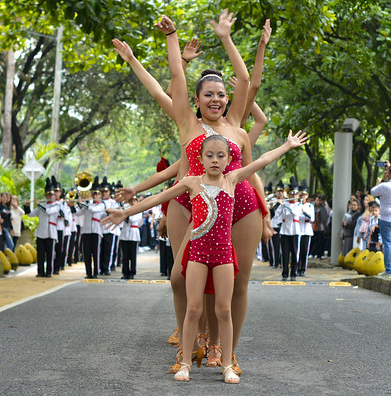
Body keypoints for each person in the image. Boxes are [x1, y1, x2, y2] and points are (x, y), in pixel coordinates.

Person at [113, 13, 271, 375]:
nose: (215, 100)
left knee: (236, 281)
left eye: (221, 95)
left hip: (238, 202)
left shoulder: (236, 128)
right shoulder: (187, 122)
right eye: (208, 95)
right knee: (180, 276)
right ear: (197, 99)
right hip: (193, 200)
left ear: (227, 99)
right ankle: (193, 340)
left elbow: (248, 80)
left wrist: (226, 37)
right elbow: (169, 83)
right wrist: (171, 39)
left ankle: (223, 351)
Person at [102, 130, 307, 383]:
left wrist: (287, 145)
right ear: (200, 158)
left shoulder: (232, 179)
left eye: (220, 155)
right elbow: (157, 198)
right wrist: (125, 213)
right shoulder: (191, 182)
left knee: (223, 310)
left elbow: (262, 160)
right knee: (194, 309)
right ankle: (187, 362)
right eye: (209, 155)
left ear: (228, 158)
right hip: (197, 254)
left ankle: (228, 364)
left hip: (223, 256)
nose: (214, 160)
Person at [28, 179, 60, 277]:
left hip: (51, 233)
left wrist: (38, 205)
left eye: (51, 195)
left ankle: (49, 272)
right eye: (48, 195)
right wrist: (27, 207)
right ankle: (40, 272)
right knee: (40, 254)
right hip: (41, 233)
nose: (49, 196)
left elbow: (48, 211)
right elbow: (31, 214)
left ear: (54, 196)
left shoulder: (57, 205)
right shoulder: (41, 205)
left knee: (50, 254)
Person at [275, 179, 302, 281]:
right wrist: (279, 204)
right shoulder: (284, 204)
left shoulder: (299, 205)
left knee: (295, 254)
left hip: (295, 231)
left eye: (295, 194)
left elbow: (293, 213)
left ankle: (294, 273)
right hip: (285, 231)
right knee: (285, 254)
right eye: (292, 194)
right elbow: (277, 214)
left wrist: (283, 205)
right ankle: (285, 273)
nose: (294, 195)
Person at [78, 178, 105, 279]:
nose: (94, 196)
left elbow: (93, 209)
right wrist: (75, 205)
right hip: (86, 231)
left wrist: (83, 204)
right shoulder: (87, 204)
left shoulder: (101, 204)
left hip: (96, 231)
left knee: (96, 253)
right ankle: (88, 273)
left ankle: (96, 272)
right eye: (93, 194)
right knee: (87, 254)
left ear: (99, 195)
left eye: (96, 194)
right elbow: (78, 213)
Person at [119, 196, 143, 280]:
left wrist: (125, 213)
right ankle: (125, 272)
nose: (133, 202)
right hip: (125, 233)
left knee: (133, 256)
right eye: (131, 201)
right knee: (125, 255)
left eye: (134, 200)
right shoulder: (126, 209)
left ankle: (132, 272)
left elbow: (134, 220)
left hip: (134, 233)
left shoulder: (139, 210)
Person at [297, 182, 315, 277]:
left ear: (307, 195)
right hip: (298, 230)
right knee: (297, 251)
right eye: (301, 194)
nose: (302, 196)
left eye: (304, 194)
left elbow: (312, 218)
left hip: (307, 230)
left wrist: (304, 212)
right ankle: (296, 268)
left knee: (304, 251)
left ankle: (303, 269)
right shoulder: (297, 205)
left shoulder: (310, 206)